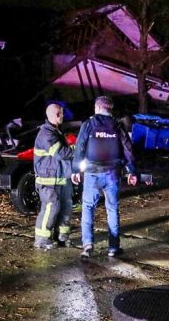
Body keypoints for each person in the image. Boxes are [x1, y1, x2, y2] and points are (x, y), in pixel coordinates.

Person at [71, 95, 138, 259]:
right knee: (113, 209)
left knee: (87, 208)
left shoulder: (88, 125)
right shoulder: (118, 126)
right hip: (112, 174)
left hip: (92, 173)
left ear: (97, 108)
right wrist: (132, 171)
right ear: (110, 109)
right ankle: (113, 247)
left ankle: (87, 245)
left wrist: (75, 170)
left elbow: (80, 147)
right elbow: (128, 149)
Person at [32, 103, 75, 250]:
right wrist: (77, 150)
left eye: (62, 113)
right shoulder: (46, 134)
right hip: (49, 181)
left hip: (61, 179)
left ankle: (62, 237)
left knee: (66, 208)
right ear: (52, 115)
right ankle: (42, 240)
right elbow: (61, 154)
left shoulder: (56, 131)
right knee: (51, 208)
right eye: (59, 114)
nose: (62, 116)